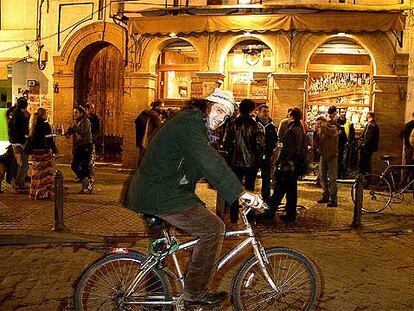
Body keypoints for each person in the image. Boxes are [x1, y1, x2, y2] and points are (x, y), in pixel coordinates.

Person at [126, 88, 262, 310]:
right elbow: (207, 159)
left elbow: (204, 165)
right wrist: (240, 192)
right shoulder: (190, 121)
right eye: (218, 111)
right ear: (207, 106)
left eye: (226, 116)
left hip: (158, 191)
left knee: (161, 251)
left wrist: (222, 186)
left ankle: (154, 302)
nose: (220, 118)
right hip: (160, 194)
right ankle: (194, 294)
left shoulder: (193, 125)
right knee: (213, 228)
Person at [257, 107, 306, 223]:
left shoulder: (292, 130)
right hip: (295, 164)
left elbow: (288, 150)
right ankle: (290, 214)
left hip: (288, 166)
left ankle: (269, 213)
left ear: (292, 116)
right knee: (291, 192)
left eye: (288, 116)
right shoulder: (300, 128)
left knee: (279, 190)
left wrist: (280, 161)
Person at [223, 99, 264, 224]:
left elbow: (226, 142)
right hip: (250, 162)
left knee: (235, 189)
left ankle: (234, 216)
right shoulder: (255, 125)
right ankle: (250, 216)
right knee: (250, 189)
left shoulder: (232, 123)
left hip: (234, 161)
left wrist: (230, 154)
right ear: (252, 110)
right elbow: (260, 144)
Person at [28, 108, 58, 200]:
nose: (47, 115)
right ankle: (43, 192)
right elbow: (49, 140)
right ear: (43, 115)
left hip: (35, 152)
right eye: (46, 113)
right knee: (45, 172)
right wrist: (55, 150)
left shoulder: (33, 124)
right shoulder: (45, 125)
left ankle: (34, 192)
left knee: (36, 172)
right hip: (43, 151)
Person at [65, 106, 93, 194]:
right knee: (81, 167)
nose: (74, 114)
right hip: (80, 146)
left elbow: (83, 132)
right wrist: (68, 132)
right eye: (74, 112)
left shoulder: (85, 121)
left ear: (81, 113)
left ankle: (87, 184)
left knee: (76, 166)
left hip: (85, 146)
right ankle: (86, 186)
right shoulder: (77, 121)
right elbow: (72, 129)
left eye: (76, 112)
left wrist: (74, 128)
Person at [314, 113, 339, 208]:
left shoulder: (332, 128)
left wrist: (322, 128)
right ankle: (326, 195)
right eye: (318, 123)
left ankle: (333, 199)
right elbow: (317, 143)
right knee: (322, 177)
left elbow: (333, 134)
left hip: (332, 156)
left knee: (332, 178)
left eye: (320, 123)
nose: (319, 125)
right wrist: (316, 133)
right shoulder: (320, 131)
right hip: (323, 156)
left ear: (325, 122)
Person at [7, 97, 30, 193]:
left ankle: (18, 183)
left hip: (14, 142)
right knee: (23, 164)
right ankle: (18, 185)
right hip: (19, 143)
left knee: (20, 163)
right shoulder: (19, 115)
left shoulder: (13, 113)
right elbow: (19, 129)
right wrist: (24, 139)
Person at [255, 104, 278, 201]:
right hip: (255, 155)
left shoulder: (271, 126)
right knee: (252, 177)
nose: (266, 114)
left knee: (266, 177)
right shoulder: (254, 124)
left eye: (267, 112)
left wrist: (271, 149)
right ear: (258, 112)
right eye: (264, 111)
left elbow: (274, 139)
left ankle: (266, 197)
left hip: (267, 155)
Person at [135, 100, 164, 166]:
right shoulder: (155, 115)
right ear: (156, 107)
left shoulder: (149, 113)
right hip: (149, 137)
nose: (162, 108)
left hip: (144, 137)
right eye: (161, 107)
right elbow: (160, 126)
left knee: (143, 153)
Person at [337, 108, 355, 179]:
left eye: (344, 112)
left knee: (344, 159)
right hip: (337, 144)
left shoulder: (349, 123)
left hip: (345, 144)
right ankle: (337, 174)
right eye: (342, 112)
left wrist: (349, 142)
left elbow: (352, 133)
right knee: (338, 159)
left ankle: (343, 174)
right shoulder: (336, 122)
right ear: (339, 113)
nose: (343, 113)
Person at [85, 103, 100, 183]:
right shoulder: (84, 117)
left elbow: (97, 129)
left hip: (91, 141)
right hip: (84, 141)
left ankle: (90, 176)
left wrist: (93, 138)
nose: (93, 109)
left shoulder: (95, 118)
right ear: (87, 109)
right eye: (91, 108)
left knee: (91, 159)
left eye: (93, 108)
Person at [399, 112, 414, 186]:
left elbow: (400, 135)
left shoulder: (407, 125)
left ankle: (405, 184)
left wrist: (405, 143)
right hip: (411, 148)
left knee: (408, 166)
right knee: (410, 166)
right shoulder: (412, 125)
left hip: (408, 147)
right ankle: (406, 184)